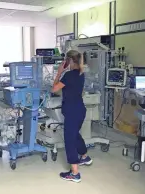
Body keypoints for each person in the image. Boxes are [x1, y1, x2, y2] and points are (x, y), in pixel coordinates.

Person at [52, 50, 93, 183]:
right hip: (80, 110)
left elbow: (54, 89)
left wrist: (59, 72)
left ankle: (75, 173)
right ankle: (84, 156)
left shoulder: (68, 75)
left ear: (69, 61)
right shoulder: (81, 74)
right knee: (75, 135)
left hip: (71, 111)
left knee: (69, 139)